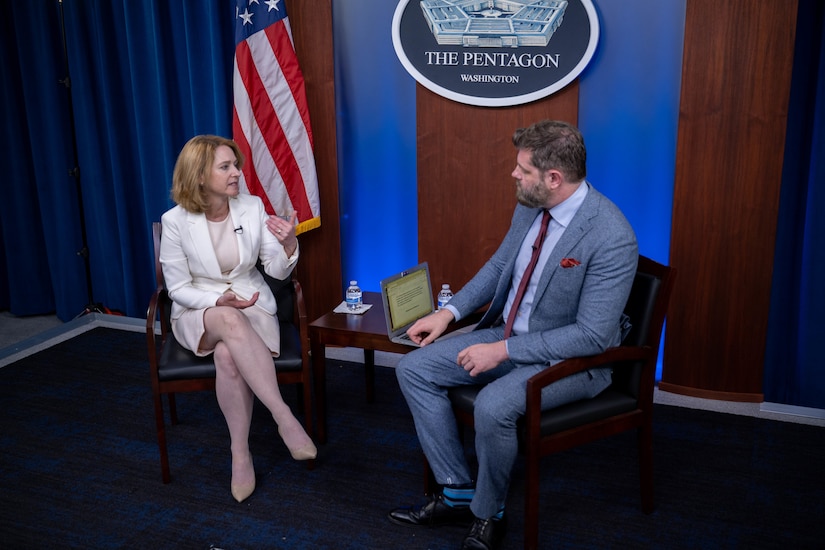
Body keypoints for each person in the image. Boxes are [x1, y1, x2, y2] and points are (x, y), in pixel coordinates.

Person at [388, 120, 638, 549]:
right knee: (413, 369)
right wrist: (449, 314)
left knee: (492, 406)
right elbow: (500, 267)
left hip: (571, 359)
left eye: (523, 169)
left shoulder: (612, 237)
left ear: (554, 178)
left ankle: (489, 513)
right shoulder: (530, 205)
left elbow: (592, 337)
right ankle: (458, 490)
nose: (514, 175)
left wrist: (502, 351)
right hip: (506, 335)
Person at [160, 135, 316, 503]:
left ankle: (240, 453)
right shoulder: (175, 221)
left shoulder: (251, 207)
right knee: (228, 319)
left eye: (236, 165)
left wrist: (290, 245)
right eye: (226, 167)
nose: (236, 174)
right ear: (200, 176)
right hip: (199, 313)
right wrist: (218, 299)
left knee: (228, 355)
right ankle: (284, 417)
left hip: (251, 305)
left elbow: (275, 271)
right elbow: (177, 287)